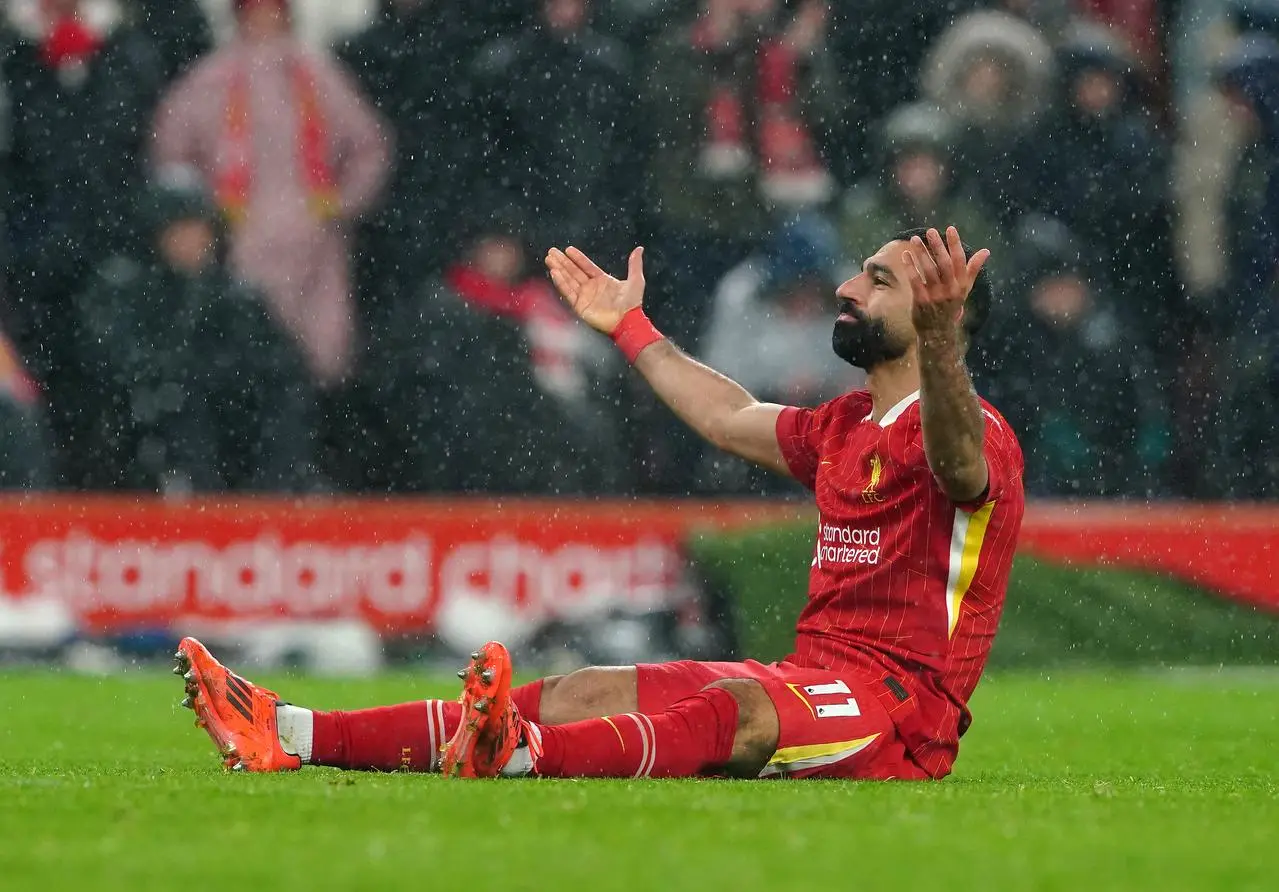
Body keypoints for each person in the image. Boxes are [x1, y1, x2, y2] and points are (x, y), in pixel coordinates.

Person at [173, 224, 1025, 782]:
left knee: (735, 712)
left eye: (875, 280)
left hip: (900, 711)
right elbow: (727, 416)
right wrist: (630, 328)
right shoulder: (845, 423)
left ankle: (517, 758)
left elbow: (954, 468)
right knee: (584, 689)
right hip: (817, 674)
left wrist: (946, 346)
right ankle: (288, 732)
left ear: (937, 315)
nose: (847, 286)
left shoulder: (973, 429)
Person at [73, 174, 320, 493]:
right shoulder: (123, 292)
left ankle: (271, 498)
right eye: (179, 230)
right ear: (156, 235)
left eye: (200, 229)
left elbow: (282, 372)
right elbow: (114, 367)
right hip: (150, 439)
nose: (192, 241)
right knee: (178, 401)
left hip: (231, 439)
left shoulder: (235, 298)